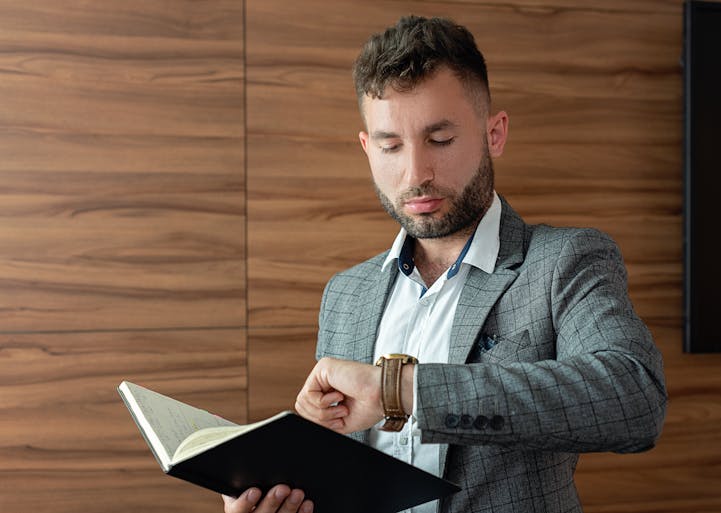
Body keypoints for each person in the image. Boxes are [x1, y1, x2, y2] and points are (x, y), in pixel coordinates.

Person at [224, 15, 666, 513]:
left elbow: (634, 399)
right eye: (391, 145)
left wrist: (399, 390)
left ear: (494, 134)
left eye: (440, 140)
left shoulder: (565, 261)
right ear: (368, 150)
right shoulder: (344, 295)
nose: (416, 173)